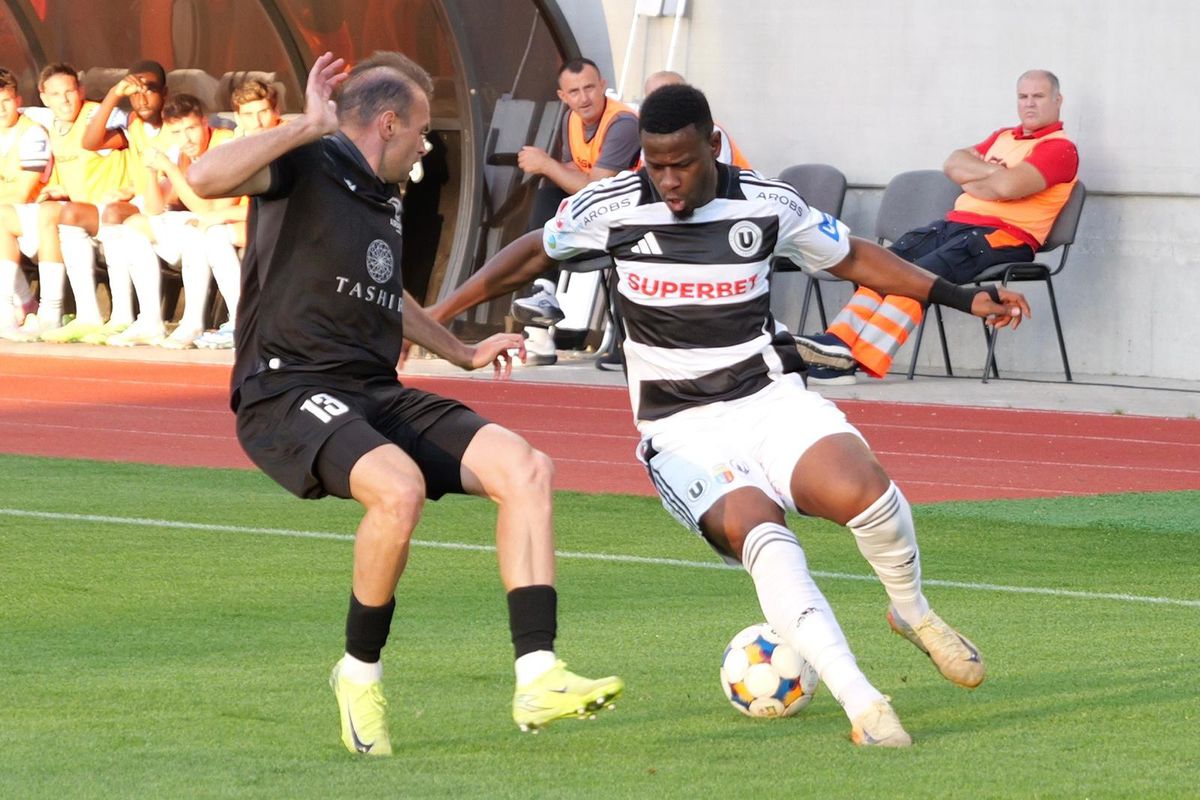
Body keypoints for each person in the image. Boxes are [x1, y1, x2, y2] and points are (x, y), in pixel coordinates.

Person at [454, 84, 1032, 746]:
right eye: (654, 163)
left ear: (713, 146)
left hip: (767, 399)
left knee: (865, 492)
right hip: (680, 430)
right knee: (764, 533)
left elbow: (857, 260)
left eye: (682, 162)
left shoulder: (767, 204)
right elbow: (531, 251)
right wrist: (439, 320)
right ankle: (865, 704)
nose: (668, 179)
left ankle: (913, 613)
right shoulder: (610, 207)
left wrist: (961, 297)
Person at [187, 51, 623, 756]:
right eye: (421, 131)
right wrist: (304, 124)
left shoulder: (384, 194)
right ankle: (359, 675)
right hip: (288, 388)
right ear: (387, 123)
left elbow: (385, 293)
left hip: (372, 391)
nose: (426, 146)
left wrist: (460, 350)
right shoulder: (308, 162)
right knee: (399, 488)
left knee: (528, 468)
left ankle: (539, 673)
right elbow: (202, 176)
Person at [797, 69, 1078, 384]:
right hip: (952, 225)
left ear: (1058, 100)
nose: (1029, 104)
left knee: (918, 278)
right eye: (1023, 96)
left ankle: (857, 360)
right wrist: (991, 176)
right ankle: (836, 344)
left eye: (1038, 96)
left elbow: (1007, 188)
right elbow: (952, 164)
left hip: (1002, 237)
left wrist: (980, 179)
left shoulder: (1059, 148)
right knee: (884, 266)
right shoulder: (1003, 137)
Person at [1, 63, 131, 342]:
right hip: (74, 211)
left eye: (69, 92)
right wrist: (57, 187)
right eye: (55, 94)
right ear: (44, 97)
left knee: (54, 214)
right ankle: (12, 310)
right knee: (5, 218)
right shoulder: (52, 122)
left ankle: (52, 311)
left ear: (81, 90)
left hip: (109, 211)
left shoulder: (96, 115)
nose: (64, 100)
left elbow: (124, 140)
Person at [100, 92, 239, 346]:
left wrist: (171, 168)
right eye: (177, 132)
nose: (186, 139)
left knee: (196, 231)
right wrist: (152, 172)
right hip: (204, 222)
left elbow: (208, 210)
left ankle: (193, 322)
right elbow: (154, 208)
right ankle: (150, 320)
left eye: (192, 129)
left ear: (205, 122)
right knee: (133, 227)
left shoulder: (224, 143)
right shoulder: (181, 152)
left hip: (230, 222)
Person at [0, 67, 50, 334]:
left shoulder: (32, 134)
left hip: (36, 215)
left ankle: (8, 307)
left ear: (18, 101)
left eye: (5, 101)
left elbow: (22, 193)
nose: (0, 109)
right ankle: (26, 303)